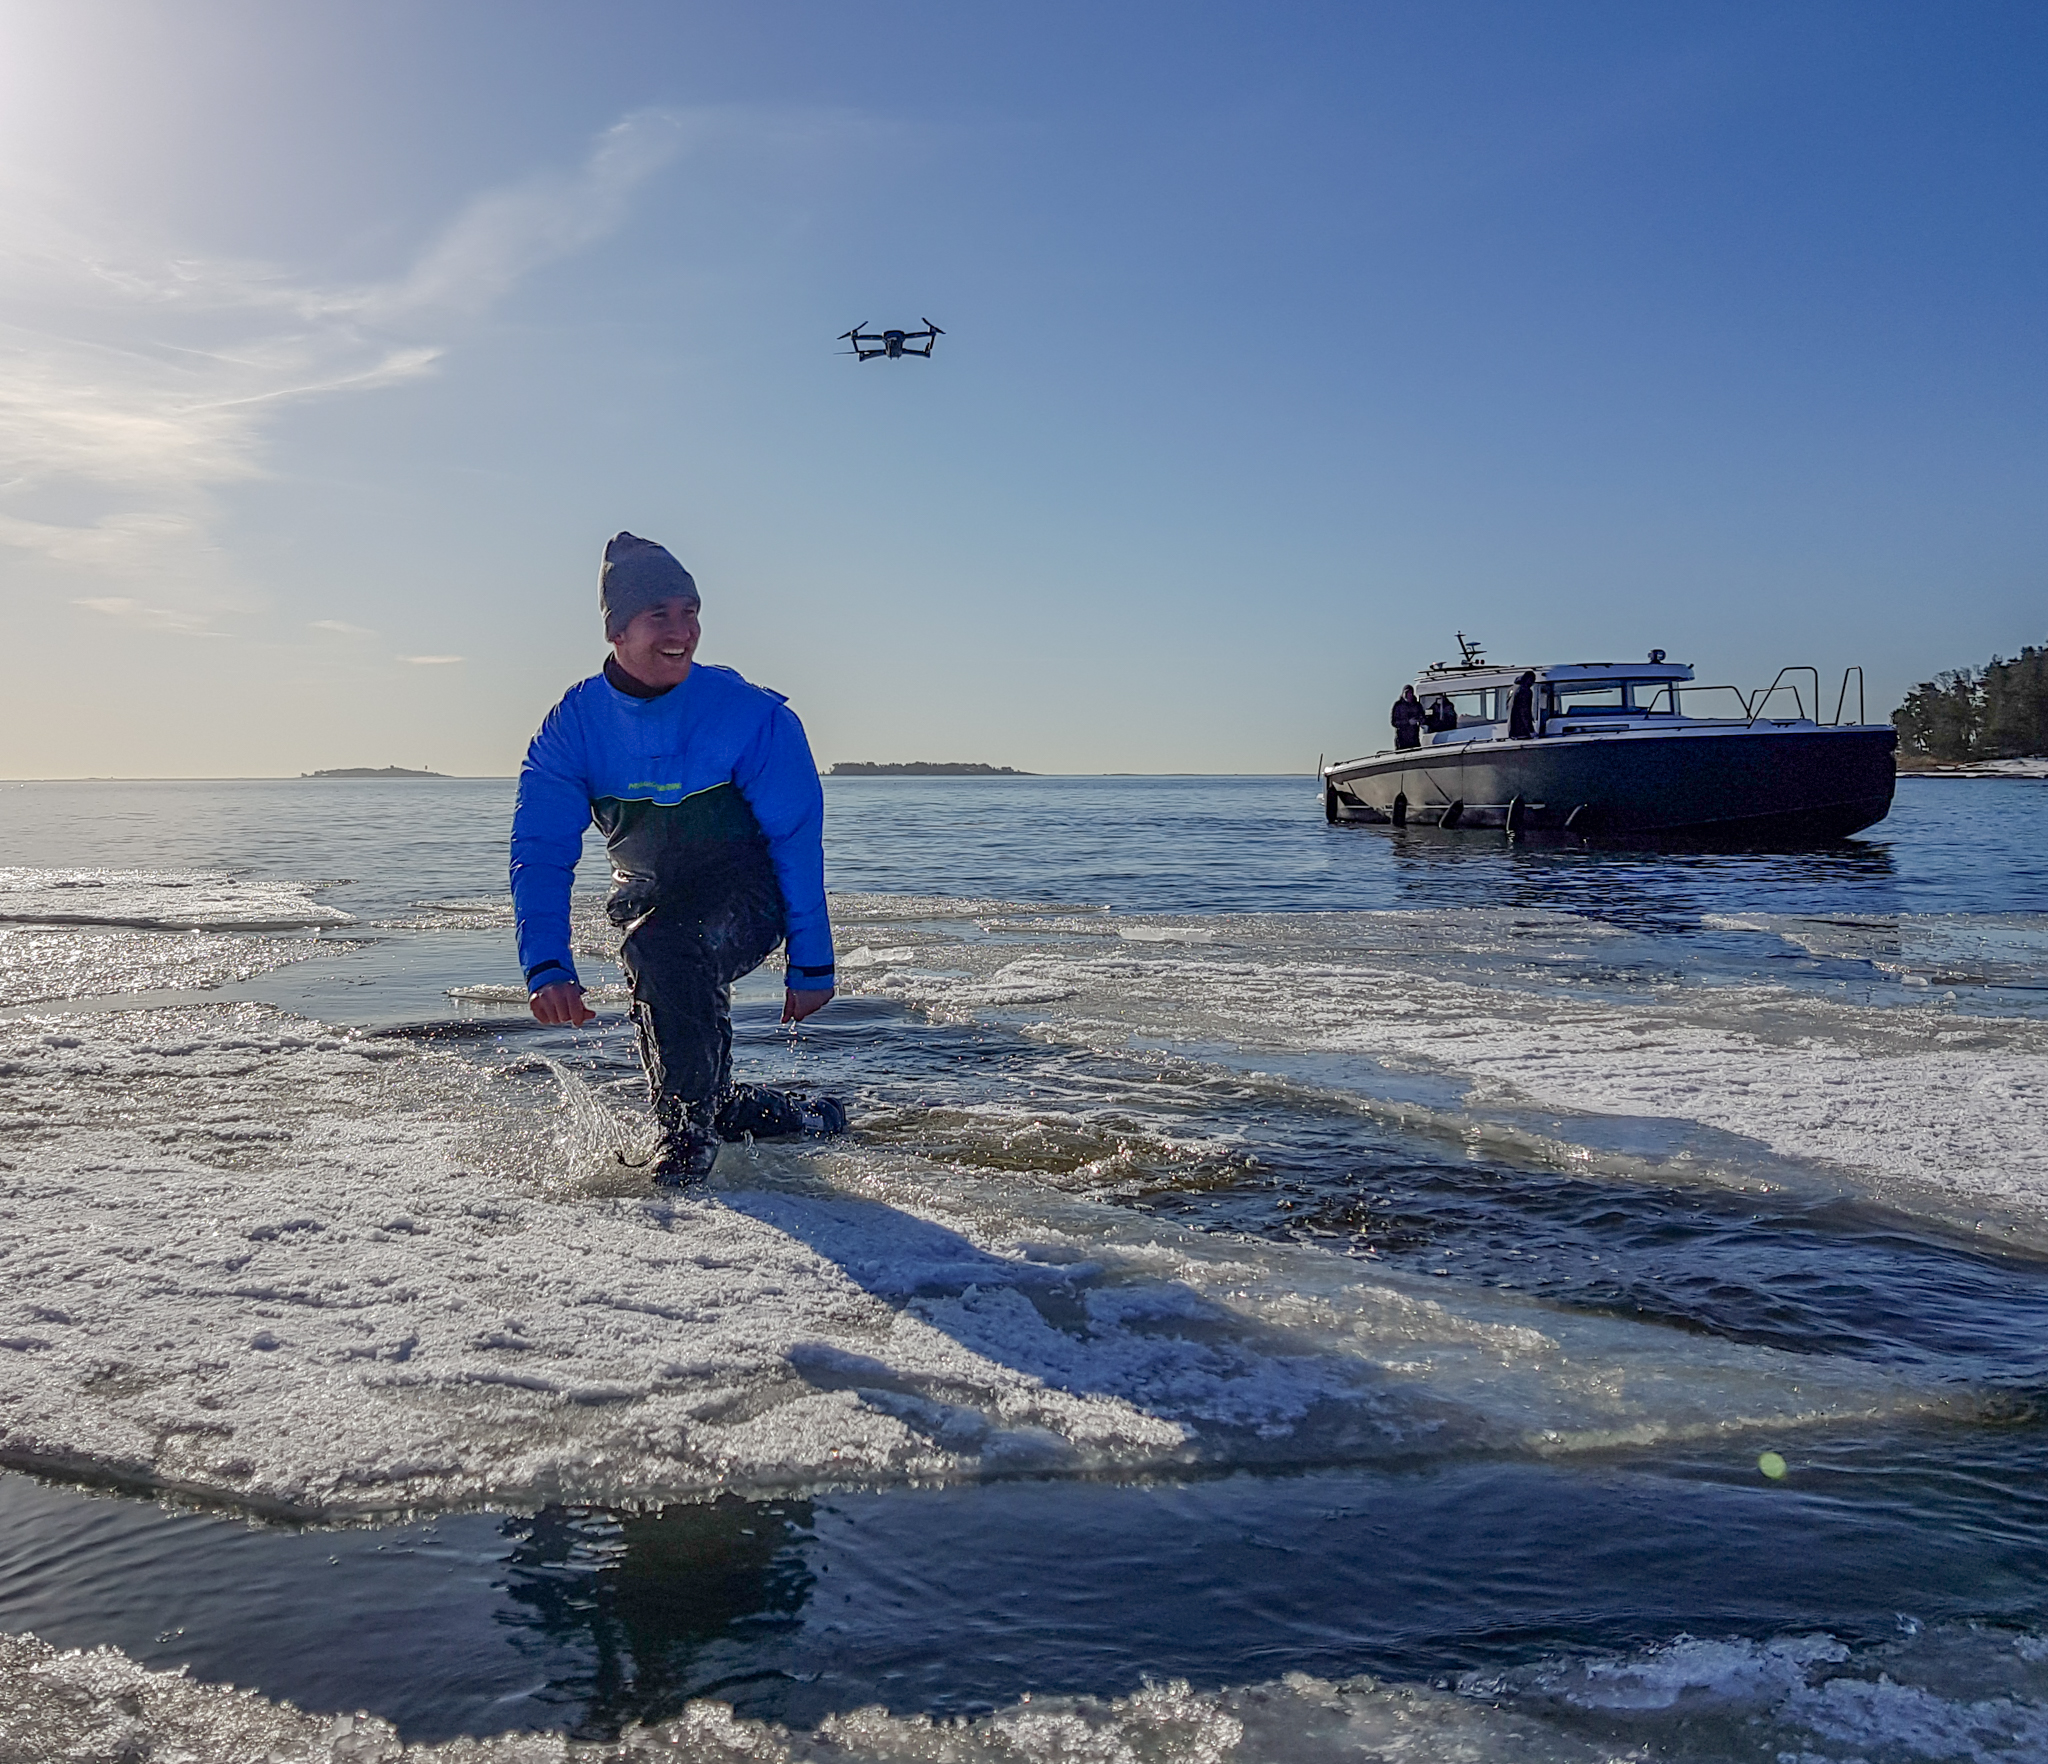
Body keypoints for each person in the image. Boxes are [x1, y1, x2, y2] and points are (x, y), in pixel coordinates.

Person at [510, 532, 845, 1186]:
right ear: (616, 630)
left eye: (690, 612)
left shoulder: (752, 718)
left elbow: (797, 840)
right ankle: (804, 1122)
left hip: (747, 901)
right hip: (651, 902)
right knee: (680, 1013)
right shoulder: (573, 727)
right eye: (659, 614)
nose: (681, 631)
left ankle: (683, 1148)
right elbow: (540, 851)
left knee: (661, 951)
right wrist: (545, 964)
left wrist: (812, 960)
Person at [1391, 684, 1425, 750]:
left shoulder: (1417, 705)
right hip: (1401, 740)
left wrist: (1420, 721)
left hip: (1414, 738)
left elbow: (1423, 717)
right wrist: (1408, 722)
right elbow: (1394, 722)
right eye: (1407, 693)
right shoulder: (1398, 706)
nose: (1409, 695)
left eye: (1411, 693)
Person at [1508, 671, 1538, 740]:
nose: (1533, 683)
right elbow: (1525, 711)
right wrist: (1530, 730)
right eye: (1533, 680)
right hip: (1522, 729)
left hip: (1512, 729)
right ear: (1528, 679)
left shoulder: (1512, 689)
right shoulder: (1525, 691)